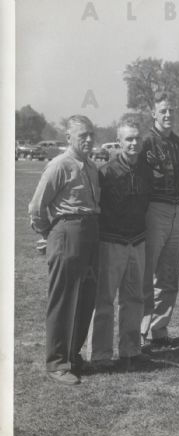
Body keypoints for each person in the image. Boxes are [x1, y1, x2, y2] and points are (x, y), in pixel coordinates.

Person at [28, 115, 100, 385]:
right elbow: (36, 207)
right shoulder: (60, 165)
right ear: (68, 137)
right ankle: (57, 362)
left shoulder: (91, 166)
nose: (89, 139)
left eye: (91, 134)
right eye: (82, 135)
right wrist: (49, 233)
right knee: (63, 298)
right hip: (67, 231)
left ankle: (73, 353)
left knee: (86, 297)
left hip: (91, 232)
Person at [89, 119, 153, 369]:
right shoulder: (105, 172)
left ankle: (130, 350)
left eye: (137, 138)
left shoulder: (147, 170)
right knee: (104, 300)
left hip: (137, 242)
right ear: (119, 141)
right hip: (111, 242)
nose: (134, 143)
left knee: (134, 298)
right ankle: (101, 355)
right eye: (128, 139)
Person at [140, 91, 179, 349]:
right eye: (163, 110)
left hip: (177, 209)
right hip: (154, 209)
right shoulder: (146, 142)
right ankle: (139, 330)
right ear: (154, 113)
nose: (168, 115)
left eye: (172, 110)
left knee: (169, 274)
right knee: (147, 273)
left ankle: (160, 329)